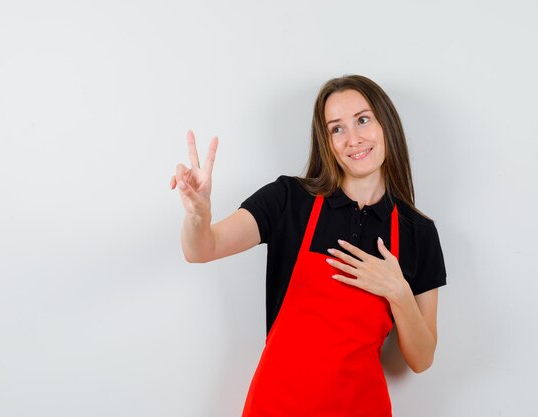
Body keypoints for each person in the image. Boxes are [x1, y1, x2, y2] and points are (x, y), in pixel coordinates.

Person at [170, 75, 446, 417]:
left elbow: (422, 359)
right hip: (277, 405)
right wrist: (198, 215)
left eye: (362, 120)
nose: (353, 139)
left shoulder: (418, 231)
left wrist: (399, 293)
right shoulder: (289, 200)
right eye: (336, 129)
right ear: (326, 141)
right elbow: (202, 249)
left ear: (385, 124)